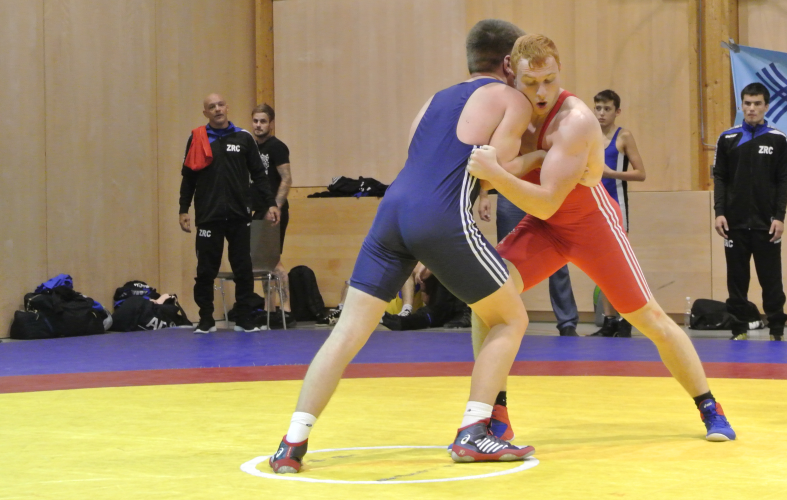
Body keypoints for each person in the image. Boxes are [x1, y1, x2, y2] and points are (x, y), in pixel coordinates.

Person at [268, 19, 539, 473]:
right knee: (511, 318)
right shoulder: (512, 99)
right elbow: (496, 171)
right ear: (509, 63)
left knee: (347, 332)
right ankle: (474, 432)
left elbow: (422, 157)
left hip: (392, 213)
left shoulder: (434, 99)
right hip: (440, 217)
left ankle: (291, 443)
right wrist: (541, 156)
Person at [467, 34, 736, 442]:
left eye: (550, 80)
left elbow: (540, 199)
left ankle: (709, 406)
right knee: (487, 296)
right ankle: (495, 411)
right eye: (530, 83)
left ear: (560, 70)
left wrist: (500, 174)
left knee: (650, 319)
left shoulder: (575, 121)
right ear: (511, 73)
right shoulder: (507, 107)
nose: (541, 93)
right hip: (545, 228)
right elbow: (492, 173)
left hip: (590, 226)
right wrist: (525, 162)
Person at [178, 93, 280, 334]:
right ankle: (206, 319)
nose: (217, 109)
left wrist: (271, 204)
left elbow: (259, 175)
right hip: (209, 216)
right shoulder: (197, 138)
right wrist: (183, 209)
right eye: (212, 106)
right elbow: (188, 178)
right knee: (205, 270)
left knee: (243, 268)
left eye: (221, 104)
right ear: (205, 113)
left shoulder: (244, 138)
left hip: (239, 216)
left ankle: (244, 319)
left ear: (227, 107)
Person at [712, 83, 787, 341]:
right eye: (747, 103)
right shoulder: (727, 138)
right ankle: (739, 329)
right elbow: (720, 177)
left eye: (757, 103)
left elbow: (784, 180)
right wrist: (719, 212)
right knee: (736, 281)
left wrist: (779, 217)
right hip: (733, 224)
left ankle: (776, 330)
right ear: (741, 105)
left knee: (771, 280)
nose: (752, 108)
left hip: (766, 225)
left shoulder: (778, 139)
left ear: (766, 107)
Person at [480, 193, 580, 336]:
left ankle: (567, 323)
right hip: (510, 193)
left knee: (558, 259)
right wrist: (483, 196)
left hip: (543, 191)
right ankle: (504, 321)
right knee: (504, 263)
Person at [591, 89, 647, 338]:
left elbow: (641, 173)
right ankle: (609, 320)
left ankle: (626, 318)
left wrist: (611, 173)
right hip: (593, 209)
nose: (601, 114)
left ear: (617, 111)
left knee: (619, 266)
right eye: (598, 108)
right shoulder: (589, 136)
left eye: (607, 109)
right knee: (600, 267)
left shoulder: (623, 136)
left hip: (616, 208)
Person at [250, 104, 293, 319]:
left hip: (273, 211)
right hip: (257, 210)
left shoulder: (277, 147)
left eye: (263, 121)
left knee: (273, 261)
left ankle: (286, 309)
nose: (258, 125)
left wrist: (275, 207)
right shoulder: (252, 148)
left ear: (271, 124)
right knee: (263, 262)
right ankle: (269, 309)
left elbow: (286, 179)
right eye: (255, 121)